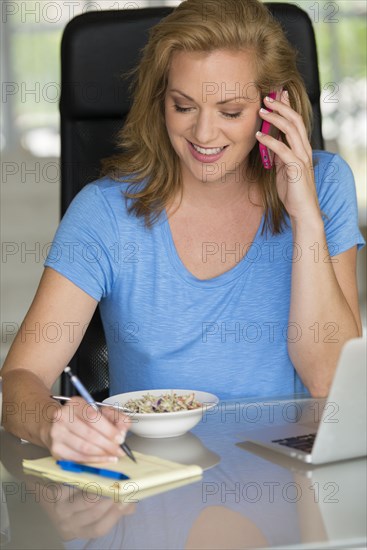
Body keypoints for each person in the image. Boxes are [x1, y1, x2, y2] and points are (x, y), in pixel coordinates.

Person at [1, 0, 365, 463]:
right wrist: (54, 426)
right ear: (161, 101)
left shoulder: (324, 185)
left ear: (274, 105)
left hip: (292, 490)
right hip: (150, 489)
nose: (204, 133)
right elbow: (20, 381)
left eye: (231, 111)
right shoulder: (105, 213)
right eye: (184, 106)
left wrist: (306, 218)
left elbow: (330, 385)